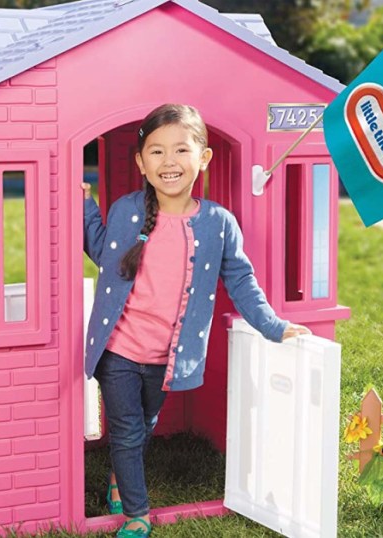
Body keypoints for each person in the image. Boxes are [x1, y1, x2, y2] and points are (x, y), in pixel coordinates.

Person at [81, 103, 311, 537]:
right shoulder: (128, 210)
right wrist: (87, 206)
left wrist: (272, 324)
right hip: (118, 348)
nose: (169, 162)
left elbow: (241, 279)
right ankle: (137, 514)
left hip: (168, 356)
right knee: (128, 430)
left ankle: (118, 475)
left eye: (181, 150)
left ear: (203, 158)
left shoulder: (218, 224)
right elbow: (104, 255)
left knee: (144, 424)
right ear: (140, 163)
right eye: (156, 152)